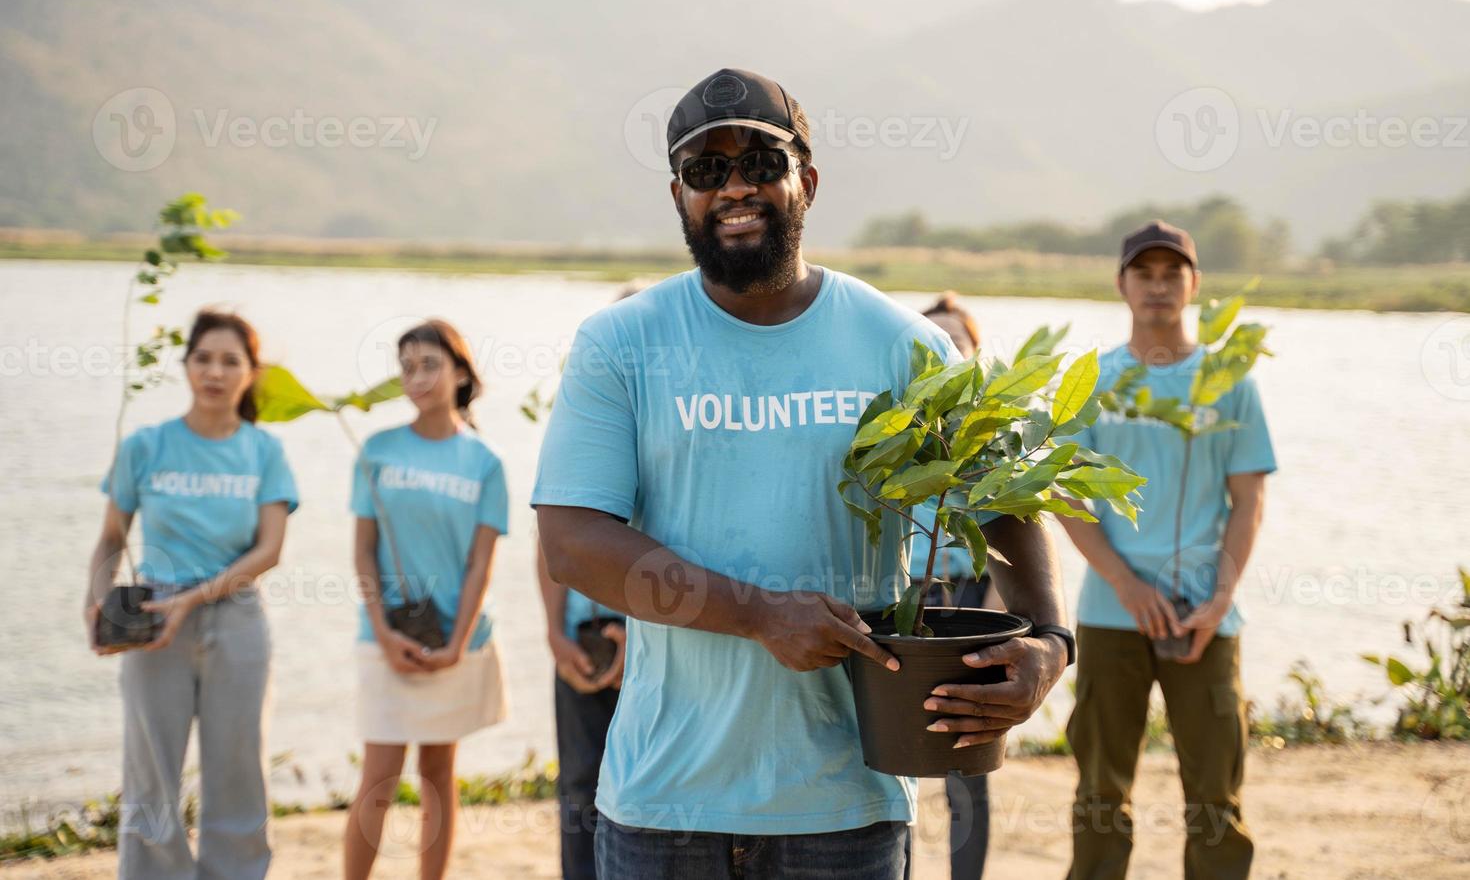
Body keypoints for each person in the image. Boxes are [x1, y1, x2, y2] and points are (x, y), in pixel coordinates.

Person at [532, 68, 1073, 880]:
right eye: (705, 171)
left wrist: (1051, 643)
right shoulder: (621, 344)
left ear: (807, 182)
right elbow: (572, 543)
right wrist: (757, 614)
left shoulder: (904, 345)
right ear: (677, 196)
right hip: (663, 804)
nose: (735, 188)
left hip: (846, 805)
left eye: (760, 162)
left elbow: (1006, 496)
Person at [1055, 222, 1276, 880]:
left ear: (1194, 285)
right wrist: (1126, 583)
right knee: (1100, 794)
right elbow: (1068, 497)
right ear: (1122, 284)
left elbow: (1248, 502)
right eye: (1144, 272)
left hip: (1205, 620)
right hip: (1111, 614)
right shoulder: (1094, 379)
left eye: (1171, 272)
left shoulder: (1228, 382)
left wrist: (1220, 599)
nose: (1158, 285)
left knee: (1215, 797)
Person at [84, 309, 299, 880]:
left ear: (252, 373)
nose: (215, 372)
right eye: (203, 358)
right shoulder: (146, 445)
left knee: (238, 769)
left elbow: (269, 550)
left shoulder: (263, 451)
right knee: (151, 772)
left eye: (231, 361)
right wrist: (97, 600)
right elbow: (111, 536)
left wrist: (195, 598)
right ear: (185, 366)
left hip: (236, 617)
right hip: (153, 620)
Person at [342, 319, 511, 880]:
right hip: (385, 638)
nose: (417, 377)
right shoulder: (377, 450)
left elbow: (480, 565)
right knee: (380, 777)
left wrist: (458, 644)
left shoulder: (486, 462)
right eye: (407, 367)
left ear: (460, 371)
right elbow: (363, 552)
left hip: (456, 640)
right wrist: (382, 631)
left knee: (438, 772)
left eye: (430, 365)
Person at [536, 283, 645, 880]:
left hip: (654, 638)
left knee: (648, 791)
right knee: (578, 785)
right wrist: (553, 633)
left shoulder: (674, 432)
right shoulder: (575, 423)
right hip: (580, 636)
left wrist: (639, 631)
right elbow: (550, 542)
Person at [914, 292, 1003, 880]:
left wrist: (1000, 621)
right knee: (886, 759)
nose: (946, 353)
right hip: (906, 602)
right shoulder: (891, 431)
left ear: (975, 353)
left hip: (971, 602)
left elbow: (1014, 538)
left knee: (966, 766)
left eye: (956, 342)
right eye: (932, 341)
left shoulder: (992, 438)